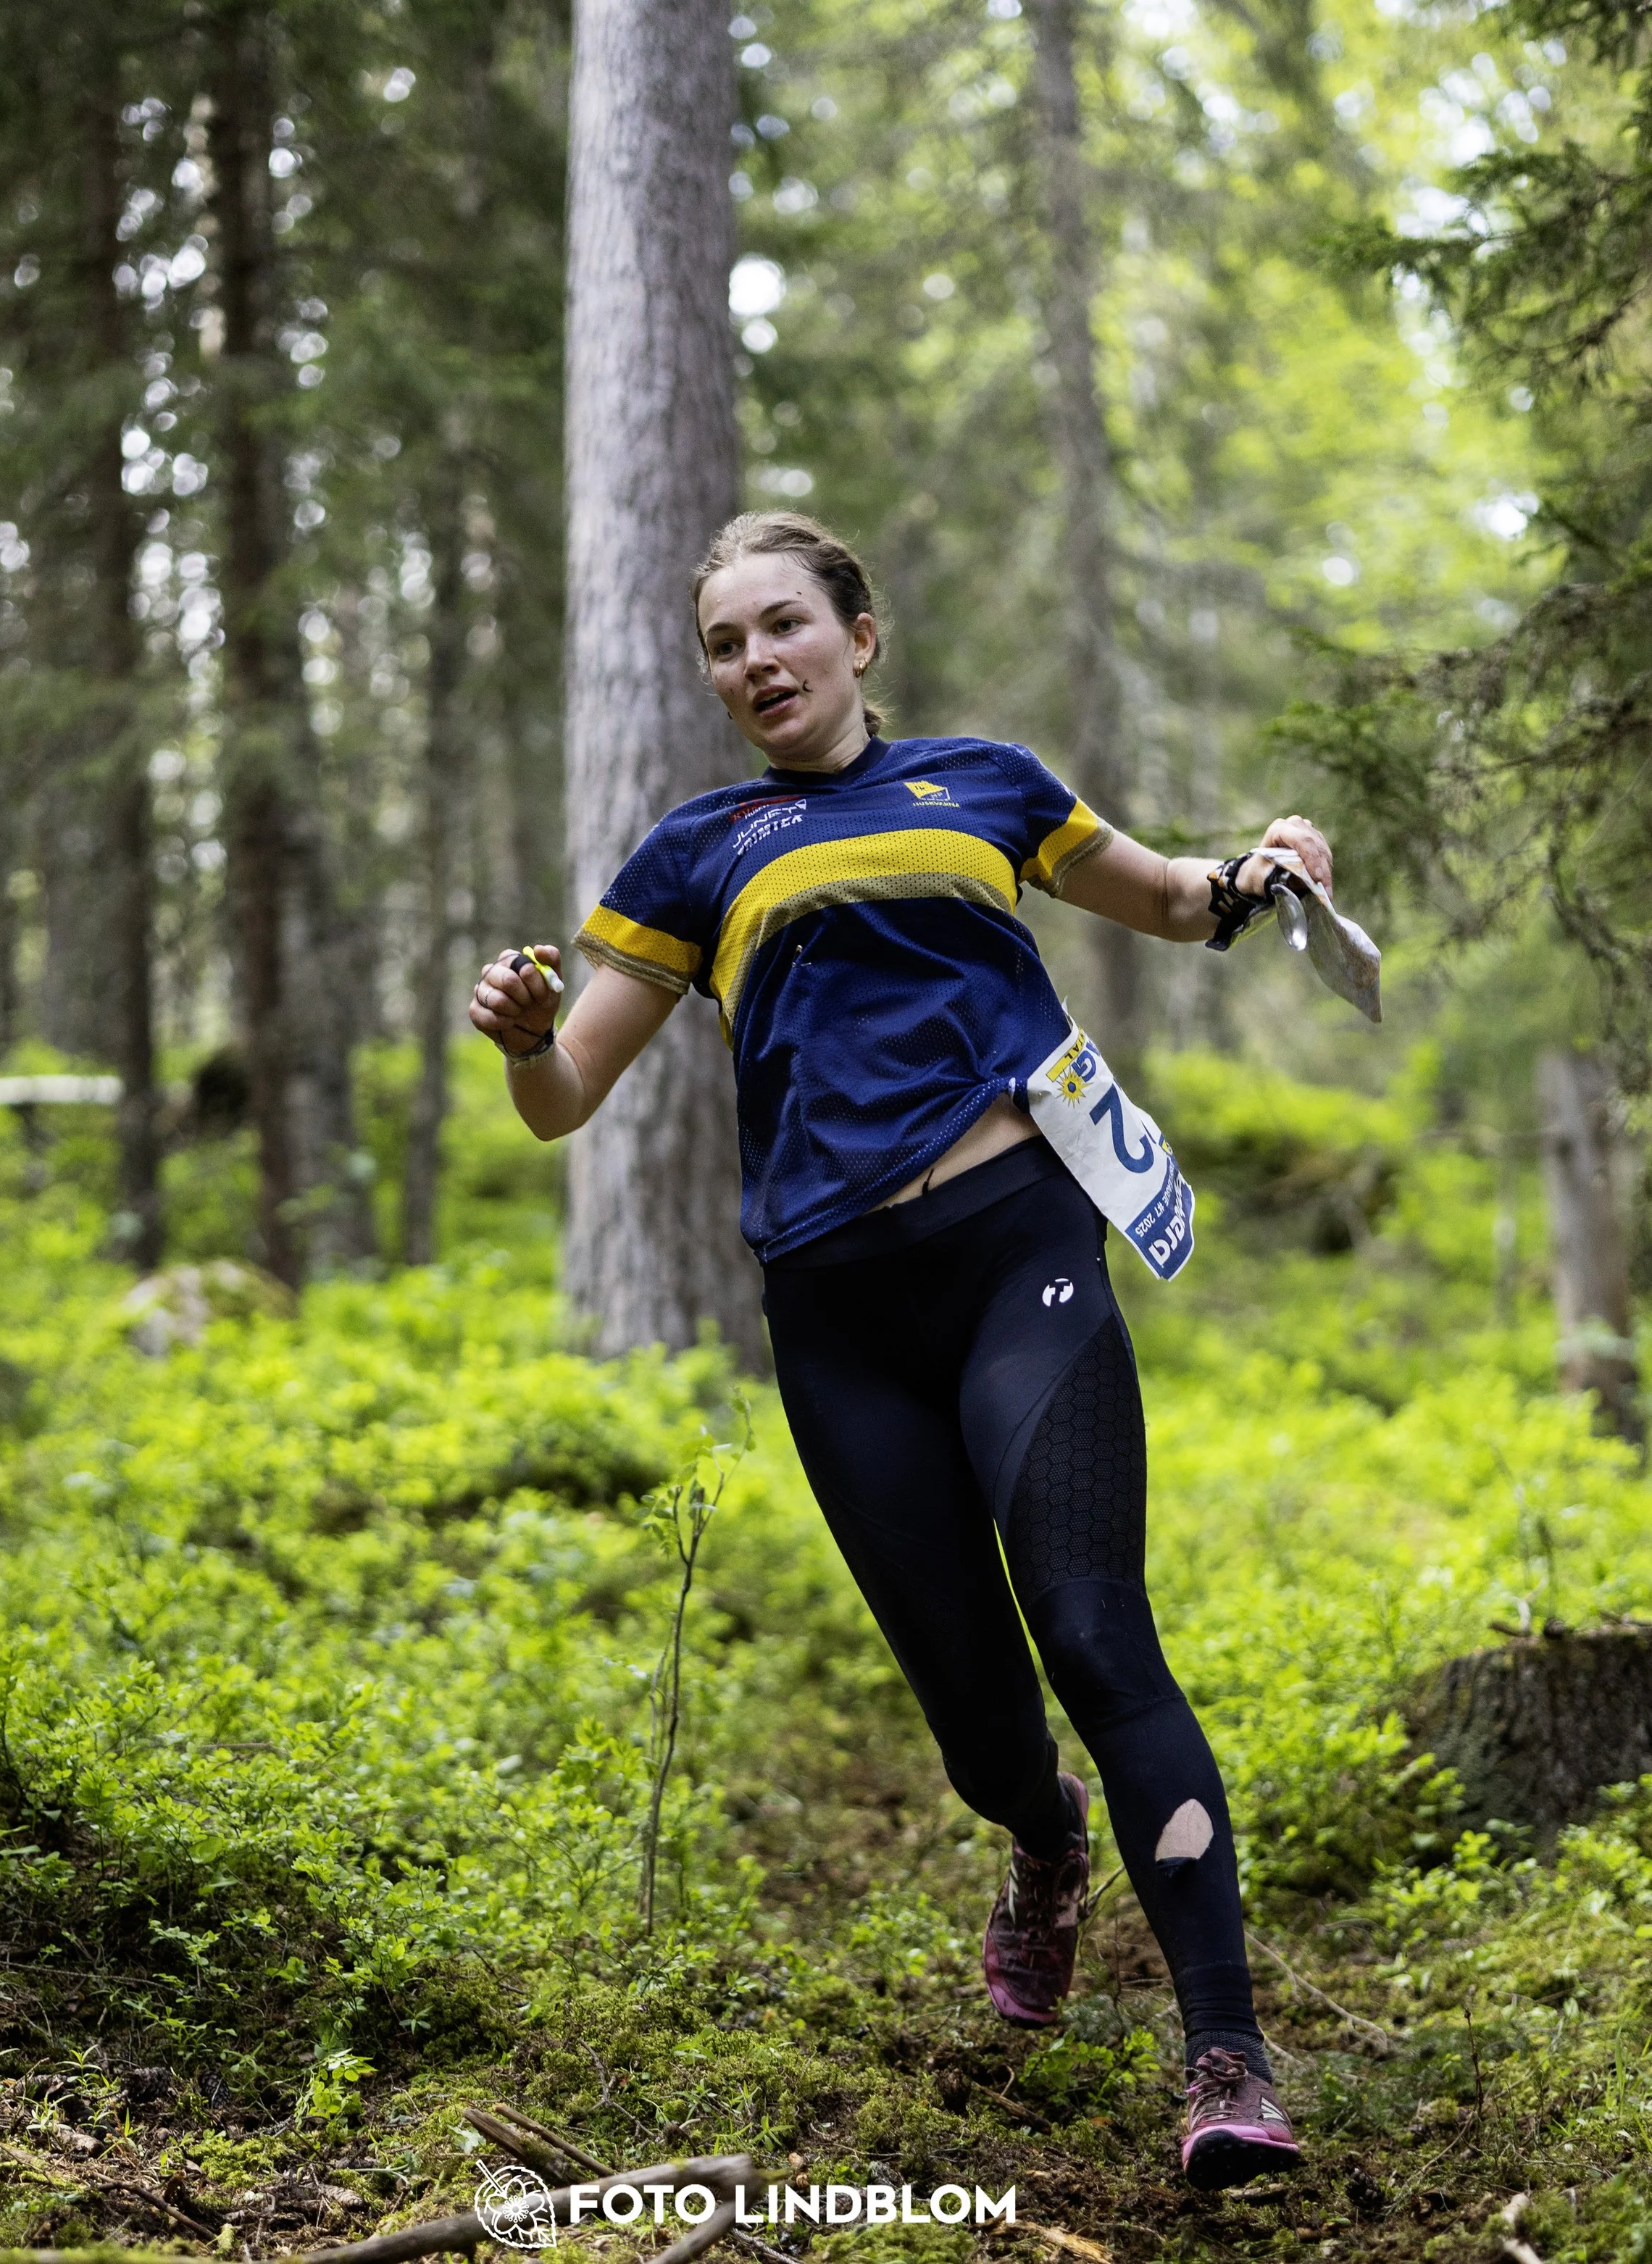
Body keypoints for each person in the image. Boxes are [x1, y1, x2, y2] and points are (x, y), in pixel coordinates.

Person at [468, 510, 1327, 2191]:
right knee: (975, 1720)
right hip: (838, 1315)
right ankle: (1041, 1840)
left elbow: (1168, 899)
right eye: (724, 644)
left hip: (1020, 1248)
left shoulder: (986, 784)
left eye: (781, 625)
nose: (753, 663)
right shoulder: (694, 848)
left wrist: (1263, 870)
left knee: (1090, 1624)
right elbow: (566, 1095)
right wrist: (515, 1038)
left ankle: (1223, 2046)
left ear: (860, 635)